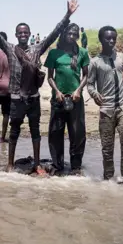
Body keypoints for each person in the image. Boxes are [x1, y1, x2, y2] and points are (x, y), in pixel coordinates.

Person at [0, 0, 79, 174]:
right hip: (16, 98)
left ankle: (37, 164)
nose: (23, 35)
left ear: (29, 34)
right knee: (14, 132)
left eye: (25, 32)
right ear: (16, 35)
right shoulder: (9, 48)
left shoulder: (37, 48)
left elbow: (54, 34)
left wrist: (67, 15)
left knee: (35, 131)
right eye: (20, 32)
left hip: (33, 98)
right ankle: (9, 164)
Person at [87, 26, 123, 183]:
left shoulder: (122, 58)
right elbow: (89, 84)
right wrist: (94, 94)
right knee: (107, 148)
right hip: (106, 110)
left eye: (113, 38)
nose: (111, 41)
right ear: (101, 40)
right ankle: (108, 180)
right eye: (108, 38)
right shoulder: (95, 62)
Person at [45, 23, 89, 175]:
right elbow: (50, 77)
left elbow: (86, 75)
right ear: (64, 34)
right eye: (69, 33)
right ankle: (58, 165)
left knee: (77, 134)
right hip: (58, 99)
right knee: (56, 133)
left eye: (75, 34)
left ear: (78, 36)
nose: (72, 36)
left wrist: (78, 90)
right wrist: (57, 91)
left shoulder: (82, 53)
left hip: (76, 99)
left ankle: (76, 166)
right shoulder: (54, 53)